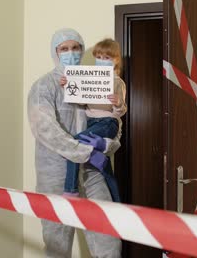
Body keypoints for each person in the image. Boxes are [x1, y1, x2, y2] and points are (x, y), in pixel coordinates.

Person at [27, 28, 122, 258]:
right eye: (64, 49)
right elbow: (47, 132)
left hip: (92, 173)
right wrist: (86, 151)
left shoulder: (94, 81)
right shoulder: (44, 87)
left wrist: (107, 145)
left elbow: (113, 123)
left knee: (108, 240)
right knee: (57, 246)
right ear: (55, 53)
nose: (71, 53)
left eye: (76, 47)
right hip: (57, 177)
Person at [61, 38, 127, 203]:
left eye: (107, 58)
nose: (102, 61)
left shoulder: (117, 82)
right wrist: (68, 87)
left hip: (107, 123)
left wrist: (118, 103)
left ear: (115, 60)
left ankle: (70, 191)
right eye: (99, 57)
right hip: (91, 122)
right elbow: (82, 101)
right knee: (104, 168)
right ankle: (117, 202)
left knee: (74, 144)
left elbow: (120, 111)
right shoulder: (89, 78)